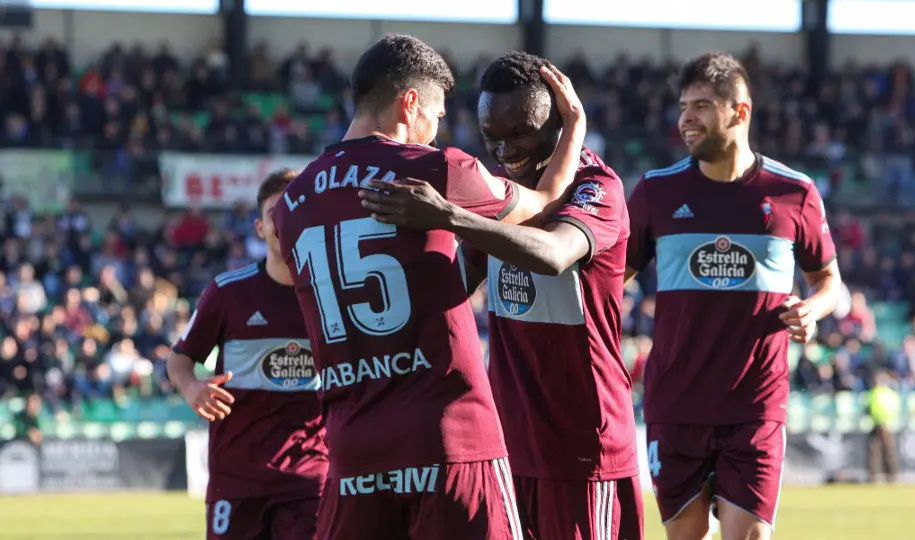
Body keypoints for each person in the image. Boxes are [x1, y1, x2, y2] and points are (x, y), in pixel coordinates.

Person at [271, 35, 587, 540]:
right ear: (410, 103)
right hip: (450, 442)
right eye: (436, 117)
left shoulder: (291, 202)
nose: (436, 133)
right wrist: (574, 126)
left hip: (353, 451)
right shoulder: (435, 170)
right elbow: (546, 199)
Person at [358, 50, 643, 540]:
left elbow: (554, 252)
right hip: (505, 446)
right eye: (493, 136)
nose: (504, 150)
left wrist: (449, 215)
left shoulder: (597, 186)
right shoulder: (497, 194)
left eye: (520, 133)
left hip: (581, 447)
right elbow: (451, 287)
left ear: (558, 125)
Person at [624, 51, 843, 540]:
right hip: (676, 401)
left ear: (739, 112)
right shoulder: (656, 191)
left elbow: (829, 281)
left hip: (756, 404)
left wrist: (812, 308)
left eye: (701, 106)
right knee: (687, 536)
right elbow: (614, 279)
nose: (686, 118)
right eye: (683, 106)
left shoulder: (795, 192)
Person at [167, 169, 328, 540]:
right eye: (275, 211)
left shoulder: (332, 294)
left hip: (310, 478)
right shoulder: (227, 293)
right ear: (259, 228)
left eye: (295, 207)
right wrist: (192, 388)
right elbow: (179, 359)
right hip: (236, 480)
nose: (285, 218)